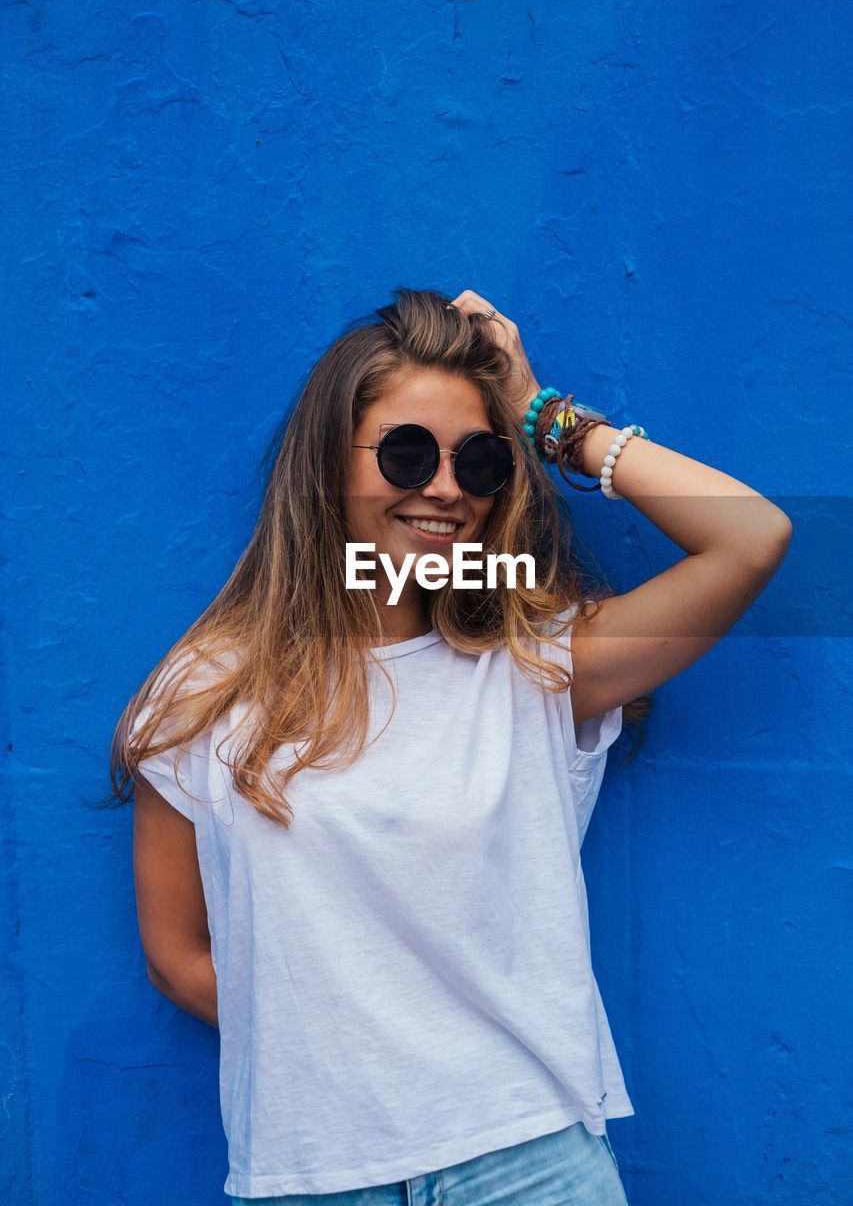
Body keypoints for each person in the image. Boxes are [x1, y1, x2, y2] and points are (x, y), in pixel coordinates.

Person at [112, 287, 792, 1204]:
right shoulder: (205, 688)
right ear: (328, 462)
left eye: (477, 461)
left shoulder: (534, 666)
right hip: (313, 1172)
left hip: (527, 1161)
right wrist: (358, 1069)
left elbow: (749, 538)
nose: (443, 487)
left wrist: (543, 415)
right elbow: (179, 956)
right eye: (404, 452)